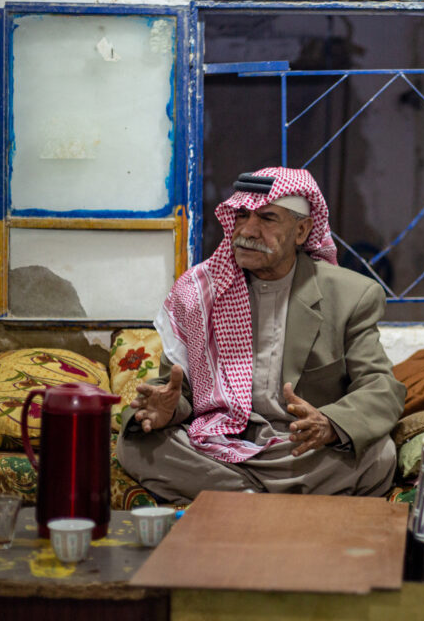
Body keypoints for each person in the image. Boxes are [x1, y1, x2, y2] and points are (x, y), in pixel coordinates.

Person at [116, 167, 405, 504]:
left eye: (267, 218)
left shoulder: (351, 295)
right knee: (137, 445)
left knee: (379, 456)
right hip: (219, 442)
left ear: (301, 231)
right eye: (241, 215)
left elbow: (381, 387)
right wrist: (169, 410)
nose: (248, 230)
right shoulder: (201, 293)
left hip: (300, 449)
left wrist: (329, 423)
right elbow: (179, 393)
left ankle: (240, 499)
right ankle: (271, 502)